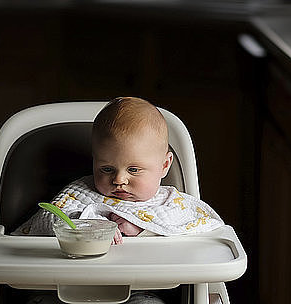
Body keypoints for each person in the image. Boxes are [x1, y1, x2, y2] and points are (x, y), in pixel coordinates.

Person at [13, 97, 224, 303]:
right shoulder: (81, 191)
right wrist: (86, 226)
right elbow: (47, 220)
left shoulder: (172, 202)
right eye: (106, 169)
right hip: (67, 289)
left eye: (133, 169)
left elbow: (198, 226)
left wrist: (144, 228)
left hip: (140, 291)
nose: (119, 180)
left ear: (164, 165)